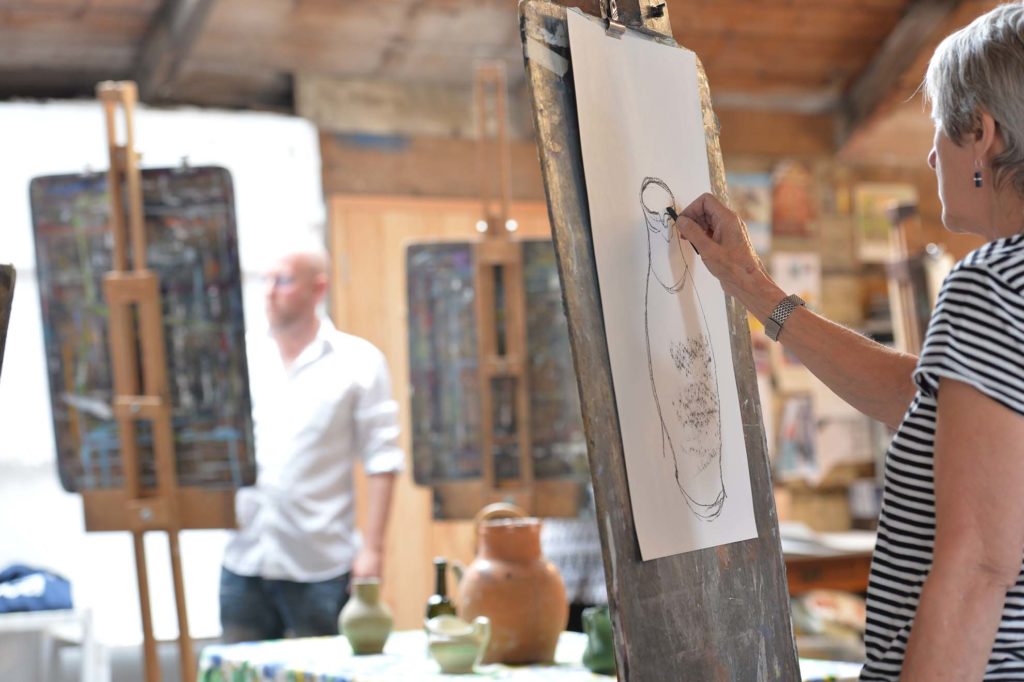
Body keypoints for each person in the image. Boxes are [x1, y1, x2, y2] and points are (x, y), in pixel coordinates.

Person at [675, 5, 1024, 678]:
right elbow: (925, 402)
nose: (930, 154)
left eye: (938, 132)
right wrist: (754, 287)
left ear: (981, 134)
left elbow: (979, 562)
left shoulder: (992, 285)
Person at [219, 243, 402, 642]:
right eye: (266, 280)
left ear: (317, 289)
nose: (269, 290)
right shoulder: (241, 357)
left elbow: (383, 459)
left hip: (319, 561)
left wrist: (373, 550)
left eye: (283, 280)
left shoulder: (358, 362)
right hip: (245, 555)